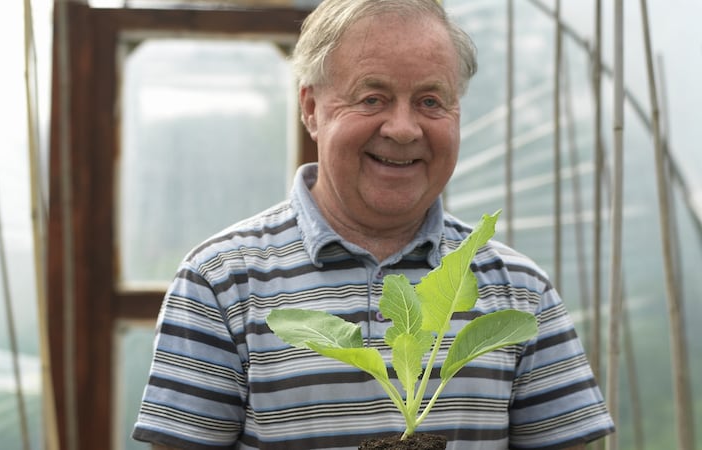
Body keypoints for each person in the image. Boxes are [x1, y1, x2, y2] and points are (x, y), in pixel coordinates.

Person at [132, 0, 615, 449]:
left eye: (430, 100)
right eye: (372, 98)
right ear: (310, 108)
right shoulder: (221, 282)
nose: (403, 129)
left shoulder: (520, 288)